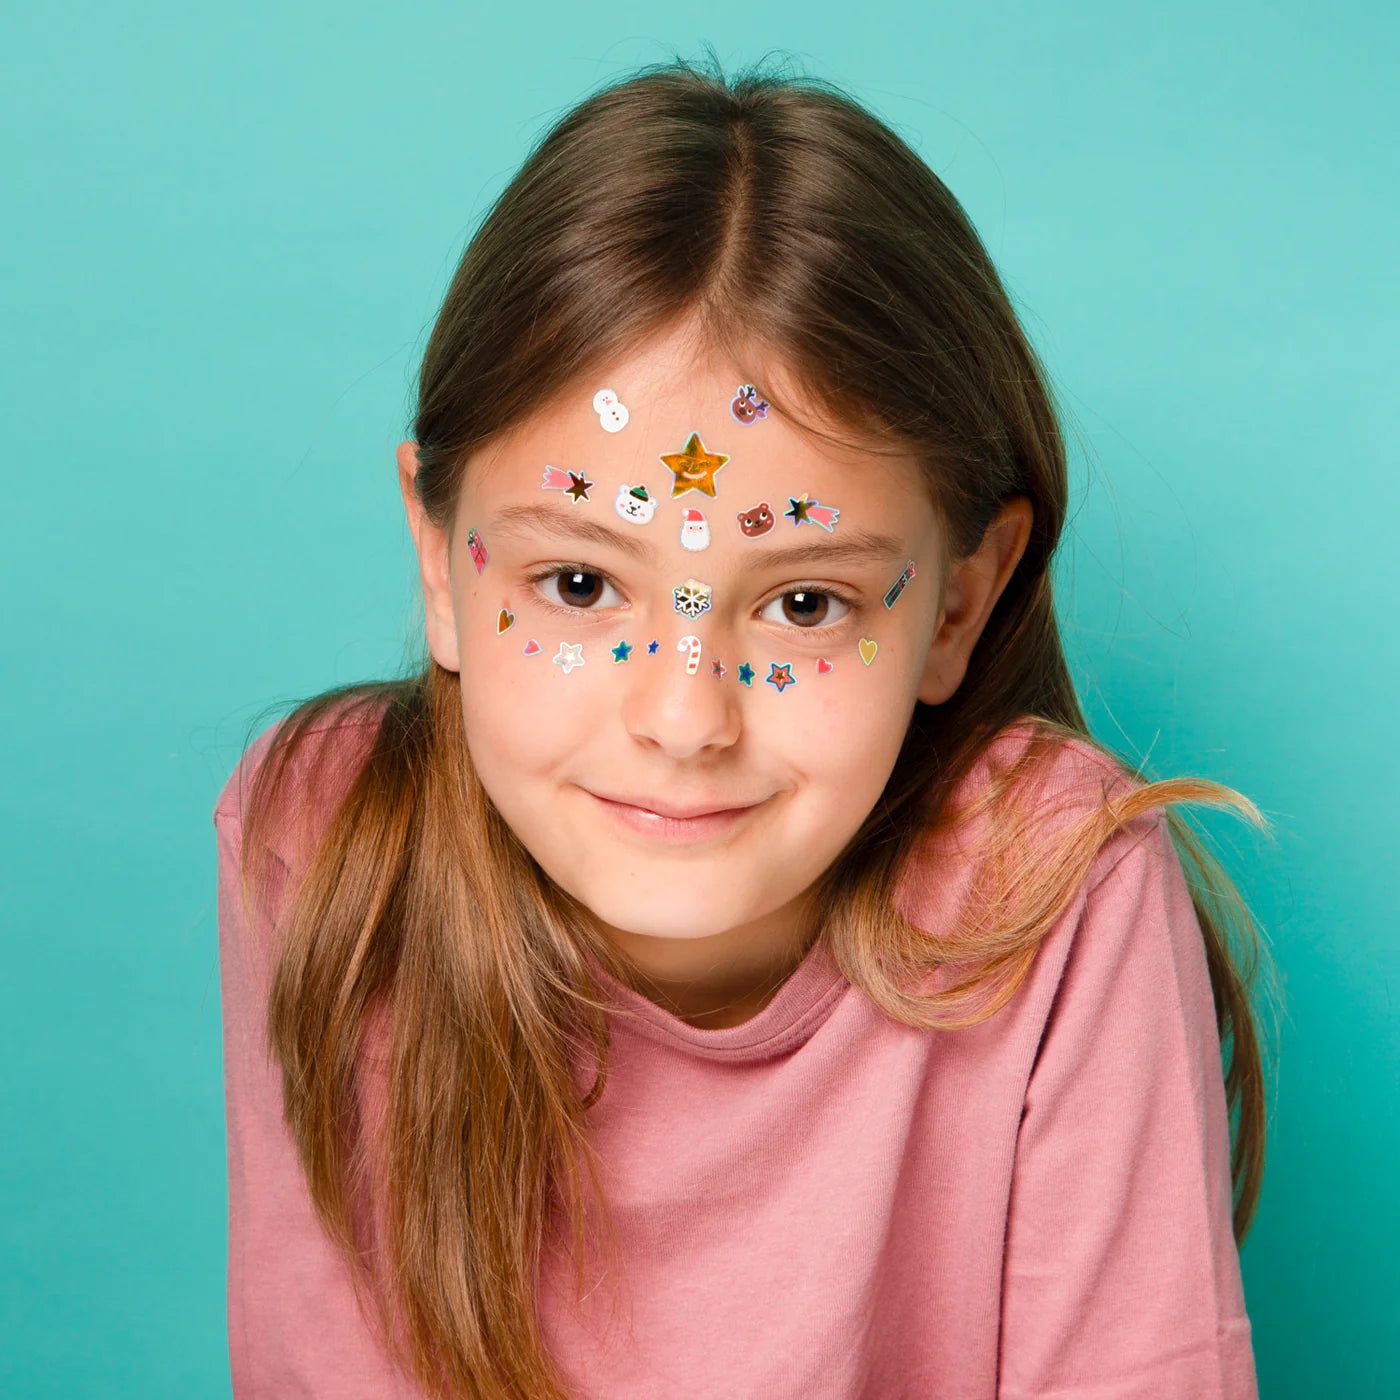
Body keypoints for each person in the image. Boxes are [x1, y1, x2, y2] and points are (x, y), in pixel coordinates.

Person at [214, 55, 1277, 1400]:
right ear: (441, 564)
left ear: (960, 604)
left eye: (808, 603)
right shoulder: (330, 845)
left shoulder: (1053, 887)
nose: (682, 717)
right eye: (582, 583)